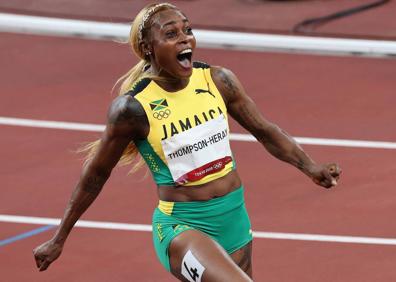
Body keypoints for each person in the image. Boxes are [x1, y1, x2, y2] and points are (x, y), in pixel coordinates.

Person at [33, 3, 341, 281]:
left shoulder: (218, 81)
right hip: (182, 227)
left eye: (188, 30)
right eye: (171, 34)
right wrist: (59, 237)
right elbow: (95, 175)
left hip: (234, 217)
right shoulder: (132, 108)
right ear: (147, 47)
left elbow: (265, 130)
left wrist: (310, 166)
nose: (185, 39)